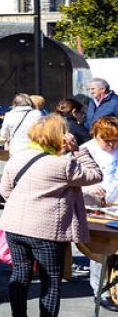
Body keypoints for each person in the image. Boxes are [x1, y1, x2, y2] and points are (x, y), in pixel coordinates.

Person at [0, 114, 101, 317]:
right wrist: (78, 151)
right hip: (46, 232)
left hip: (14, 226)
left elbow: (5, 190)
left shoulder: (18, 157)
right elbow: (95, 175)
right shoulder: (63, 164)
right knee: (51, 281)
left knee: (20, 274)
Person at [82, 116, 118, 308]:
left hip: (115, 204)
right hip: (93, 206)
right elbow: (72, 180)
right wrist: (88, 188)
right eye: (107, 141)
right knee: (100, 249)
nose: (112, 145)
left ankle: (114, 288)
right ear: (95, 135)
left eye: (115, 140)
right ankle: (99, 290)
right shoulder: (85, 150)